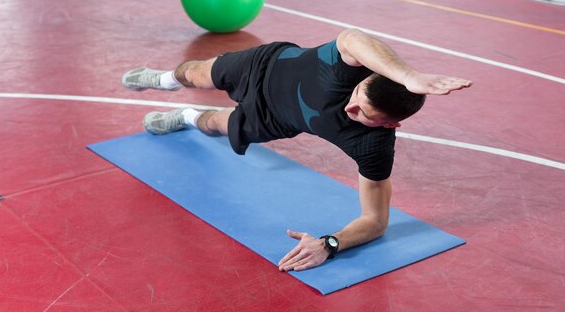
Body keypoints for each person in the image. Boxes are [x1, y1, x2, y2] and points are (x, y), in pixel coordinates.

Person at [121, 28, 472, 272]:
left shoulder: (373, 146)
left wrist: (330, 244)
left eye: (363, 115)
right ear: (368, 77)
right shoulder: (347, 68)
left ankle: (184, 116)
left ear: (390, 125)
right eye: (357, 97)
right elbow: (351, 37)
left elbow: (376, 221)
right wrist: (409, 74)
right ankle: (164, 79)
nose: (349, 110)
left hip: (275, 119)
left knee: (216, 126)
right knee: (196, 73)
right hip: (265, 65)